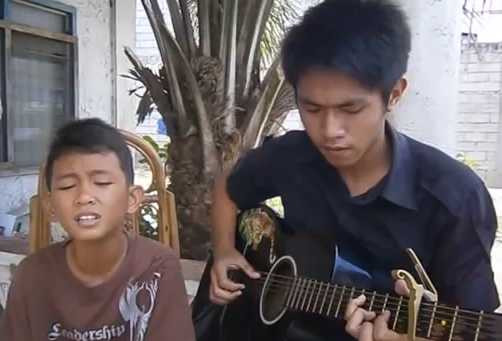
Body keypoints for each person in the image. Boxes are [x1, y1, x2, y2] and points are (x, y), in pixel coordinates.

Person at [208, 0, 500, 340]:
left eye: (351, 108)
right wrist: (224, 249)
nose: (330, 130)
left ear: (393, 94)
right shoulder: (290, 156)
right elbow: (229, 187)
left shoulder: (455, 198)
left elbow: (471, 329)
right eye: (312, 107)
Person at [0, 118, 195, 341]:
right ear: (51, 206)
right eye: (67, 186)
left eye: (101, 183)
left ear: (132, 199)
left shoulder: (158, 269)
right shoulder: (31, 276)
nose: (84, 197)